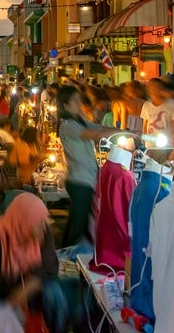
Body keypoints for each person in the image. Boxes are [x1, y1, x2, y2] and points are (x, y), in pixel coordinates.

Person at [0, 192, 60, 322]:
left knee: (54, 294)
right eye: (37, 224)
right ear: (22, 222)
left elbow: (49, 267)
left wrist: (25, 291)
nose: (42, 229)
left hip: (27, 287)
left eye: (42, 223)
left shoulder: (43, 232)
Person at [57, 85, 121, 247]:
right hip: (80, 181)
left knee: (79, 222)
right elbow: (93, 134)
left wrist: (123, 131)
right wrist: (121, 134)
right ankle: (66, 257)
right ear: (65, 105)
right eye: (75, 101)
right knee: (78, 226)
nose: (80, 104)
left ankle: (71, 255)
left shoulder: (79, 121)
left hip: (86, 179)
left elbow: (99, 128)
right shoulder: (68, 125)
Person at [140, 78, 174, 149]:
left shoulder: (172, 104)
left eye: (156, 87)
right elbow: (145, 126)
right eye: (151, 88)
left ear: (161, 89)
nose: (153, 90)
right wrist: (145, 142)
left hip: (167, 146)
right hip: (150, 146)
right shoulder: (146, 105)